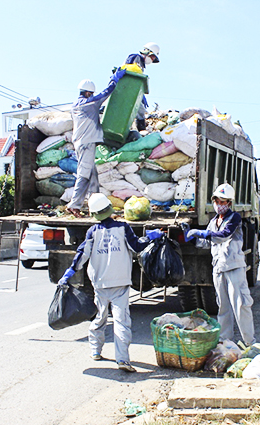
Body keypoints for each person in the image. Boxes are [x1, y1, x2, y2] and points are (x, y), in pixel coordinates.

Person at [58, 193, 163, 372]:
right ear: (109, 209)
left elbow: (81, 255)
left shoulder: (92, 232)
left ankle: (95, 351)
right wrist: (152, 235)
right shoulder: (123, 227)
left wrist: (69, 273)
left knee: (100, 318)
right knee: (122, 321)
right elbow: (137, 246)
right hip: (120, 284)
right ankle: (122, 360)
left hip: (99, 284)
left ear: (94, 214)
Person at [181, 183, 255, 346]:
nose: (220, 205)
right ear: (213, 201)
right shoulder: (213, 221)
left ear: (229, 203)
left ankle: (250, 343)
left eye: (224, 202)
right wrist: (191, 237)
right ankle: (225, 342)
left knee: (241, 305)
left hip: (234, 267)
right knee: (223, 307)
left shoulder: (234, 218)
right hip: (219, 269)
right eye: (217, 201)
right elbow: (207, 243)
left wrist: (201, 232)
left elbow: (223, 235)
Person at [66, 69, 126, 218]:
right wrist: (114, 79)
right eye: (91, 94)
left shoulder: (76, 105)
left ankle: (96, 207)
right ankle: (74, 205)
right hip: (86, 143)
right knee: (84, 174)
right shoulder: (90, 102)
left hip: (81, 143)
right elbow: (107, 92)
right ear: (88, 93)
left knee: (93, 176)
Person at [124, 42, 160, 131]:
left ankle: (141, 130)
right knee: (140, 111)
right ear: (147, 52)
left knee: (140, 110)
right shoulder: (136, 57)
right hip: (127, 89)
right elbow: (131, 72)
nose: (152, 60)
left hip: (131, 90)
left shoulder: (142, 65)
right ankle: (142, 130)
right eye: (152, 57)